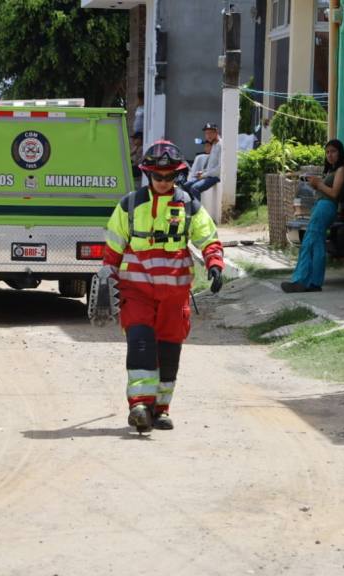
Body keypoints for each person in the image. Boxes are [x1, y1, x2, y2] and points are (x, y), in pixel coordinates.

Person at [98, 140, 225, 433]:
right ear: (148, 174)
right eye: (158, 177)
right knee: (141, 343)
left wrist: (215, 263)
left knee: (169, 352)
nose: (164, 182)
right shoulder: (129, 205)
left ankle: (161, 408)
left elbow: (207, 236)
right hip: (137, 291)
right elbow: (114, 247)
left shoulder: (189, 205)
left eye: (170, 177)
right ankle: (139, 405)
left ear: (178, 175)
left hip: (175, 297)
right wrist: (107, 275)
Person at [281, 139, 344, 293]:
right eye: (327, 152)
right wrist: (316, 186)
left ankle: (301, 280)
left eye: (333, 151)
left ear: (340, 153)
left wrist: (319, 184)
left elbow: (334, 193)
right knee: (317, 243)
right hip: (320, 206)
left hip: (327, 206)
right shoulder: (331, 171)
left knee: (309, 242)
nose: (330, 155)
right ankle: (314, 282)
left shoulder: (341, 170)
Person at [185, 122, 221, 201]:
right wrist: (202, 172)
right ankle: (189, 210)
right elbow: (211, 166)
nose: (208, 136)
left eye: (211, 133)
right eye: (206, 133)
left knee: (195, 188)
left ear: (216, 132)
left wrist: (204, 175)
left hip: (216, 177)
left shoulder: (221, 145)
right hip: (209, 175)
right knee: (186, 185)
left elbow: (219, 169)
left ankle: (197, 212)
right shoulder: (214, 145)